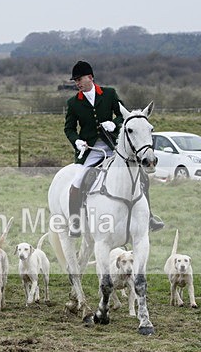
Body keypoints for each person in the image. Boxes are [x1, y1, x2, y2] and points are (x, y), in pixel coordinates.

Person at [64, 60, 163, 236]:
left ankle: (149, 218)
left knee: (141, 176)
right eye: (75, 81)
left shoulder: (109, 94)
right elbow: (69, 128)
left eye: (80, 79)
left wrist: (114, 123)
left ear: (91, 77)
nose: (77, 83)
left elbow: (124, 116)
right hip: (90, 150)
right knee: (77, 181)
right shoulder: (73, 103)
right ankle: (75, 223)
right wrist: (77, 141)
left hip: (113, 146)